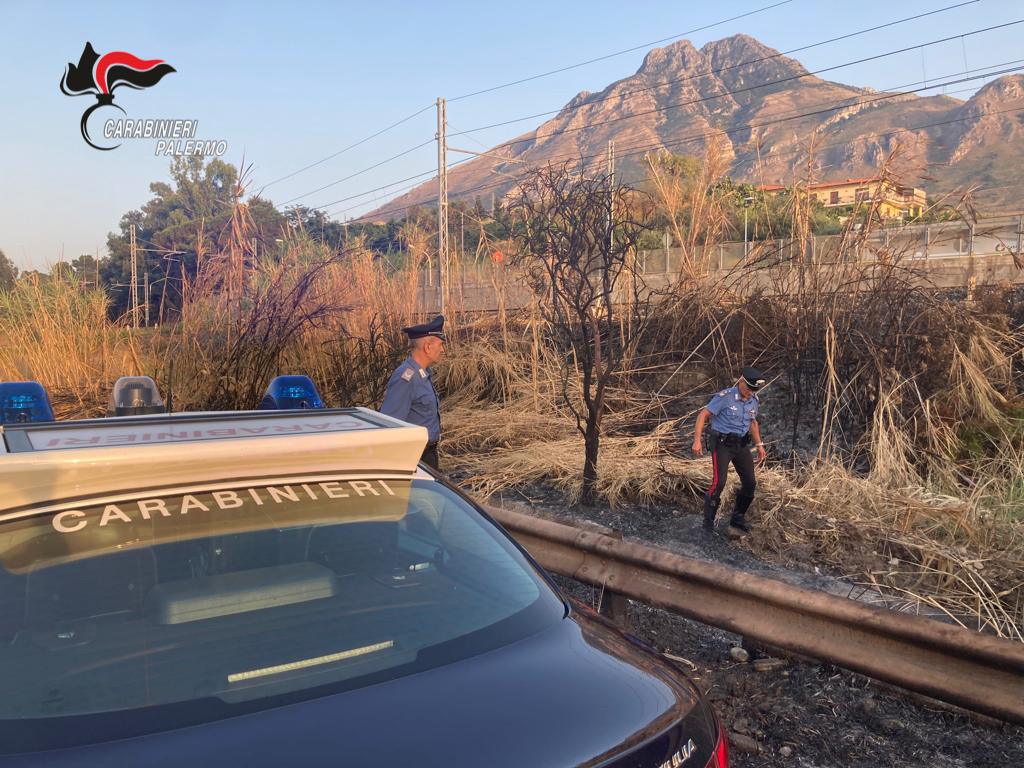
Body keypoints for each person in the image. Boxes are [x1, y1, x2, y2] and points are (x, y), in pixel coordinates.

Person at [691, 367, 768, 534]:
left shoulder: (754, 399)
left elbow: (753, 423)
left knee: (750, 483)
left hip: (741, 445)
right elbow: (703, 415)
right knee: (719, 482)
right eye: (748, 389)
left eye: (753, 390)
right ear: (741, 381)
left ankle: (737, 518)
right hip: (722, 445)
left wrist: (760, 445)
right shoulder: (725, 397)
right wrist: (697, 441)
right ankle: (708, 524)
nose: (750, 393)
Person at [380, 315, 445, 470]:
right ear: (428, 347)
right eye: (440, 345)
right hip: (414, 458)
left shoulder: (422, 373)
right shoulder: (406, 378)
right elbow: (391, 423)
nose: (442, 350)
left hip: (427, 455)